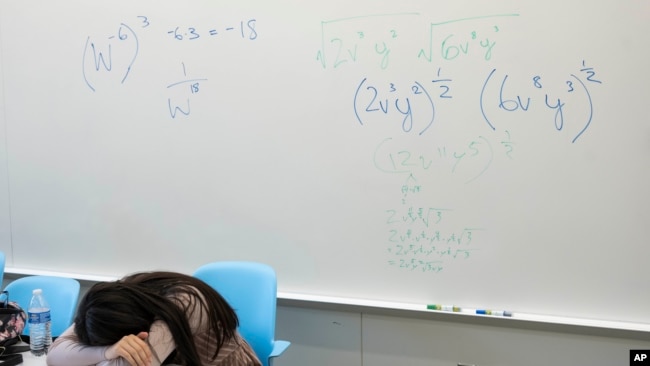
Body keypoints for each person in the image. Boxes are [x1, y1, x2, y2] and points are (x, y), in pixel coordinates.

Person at [46, 271, 261, 366]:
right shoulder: (110, 303)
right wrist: (107, 351)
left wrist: (98, 358)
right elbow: (55, 355)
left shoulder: (183, 303)